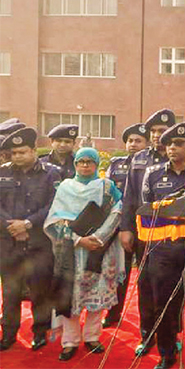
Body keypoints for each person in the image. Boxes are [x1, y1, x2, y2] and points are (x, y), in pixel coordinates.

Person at [44, 147, 125, 361]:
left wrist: (98, 238)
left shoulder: (107, 187)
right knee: (70, 297)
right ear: (75, 164)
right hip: (72, 252)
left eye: (90, 161)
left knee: (96, 295)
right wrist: (79, 239)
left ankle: (92, 337)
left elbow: (118, 211)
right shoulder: (65, 187)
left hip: (100, 249)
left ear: (97, 164)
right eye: (81, 161)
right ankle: (69, 341)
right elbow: (54, 221)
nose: (85, 165)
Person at [141, 122, 185, 369]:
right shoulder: (154, 174)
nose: (172, 148)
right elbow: (147, 210)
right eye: (169, 143)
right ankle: (167, 353)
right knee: (164, 305)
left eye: (179, 144)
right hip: (163, 250)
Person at [119, 108, 175, 356]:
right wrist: (126, 228)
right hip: (145, 234)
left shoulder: (181, 156)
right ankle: (147, 335)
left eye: (161, 131)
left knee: (173, 289)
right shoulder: (139, 159)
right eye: (152, 131)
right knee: (145, 286)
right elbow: (130, 197)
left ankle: (171, 336)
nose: (155, 136)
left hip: (174, 237)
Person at [0, 128, 61, 352]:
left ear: (34, 150)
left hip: (38, 242)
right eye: (14, 153)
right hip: (8, 242)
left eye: (22, 152)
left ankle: (39, 332)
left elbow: (54, 205)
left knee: (40, 291)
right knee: (10, 291)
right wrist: (13, 227)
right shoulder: (2, 172)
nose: (17, 156)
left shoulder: (51, 173)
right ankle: (8, 334)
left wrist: (27, 224)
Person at [102, 123, 148, 328]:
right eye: (130, 140)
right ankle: (113, 313)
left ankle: (147, 318)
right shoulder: (116, 164)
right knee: (119, 273)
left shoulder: (153, 166)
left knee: (146, 277)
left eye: (138, 141)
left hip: (146, 227)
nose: (133, 144)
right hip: (121, 226)